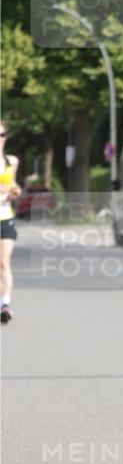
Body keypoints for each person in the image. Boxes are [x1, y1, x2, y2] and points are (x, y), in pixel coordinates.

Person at [0, 120, 21, 324]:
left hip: (5, 217)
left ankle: (5, 303)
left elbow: (13, 185)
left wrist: (15, 191)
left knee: (4, 261)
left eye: (2, 135)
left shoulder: (11, 162)